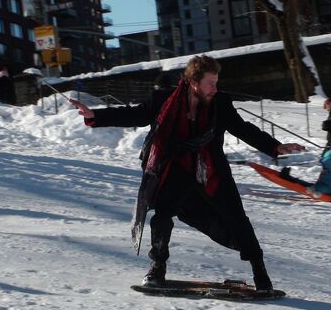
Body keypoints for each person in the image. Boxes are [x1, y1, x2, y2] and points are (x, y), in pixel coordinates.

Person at [70, 55, 305, 291]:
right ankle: (157, 268)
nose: (215, 88)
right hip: (175, 171)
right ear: (193, 81)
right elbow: (136, 115)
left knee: (237, 219)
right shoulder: (164, 100)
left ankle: (260, 273)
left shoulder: (220, 103)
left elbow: (242, 128)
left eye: (216, 82)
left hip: (211, 172)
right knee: (161, 217)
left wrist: (274, 146)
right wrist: (95, 116)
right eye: (210, 83)